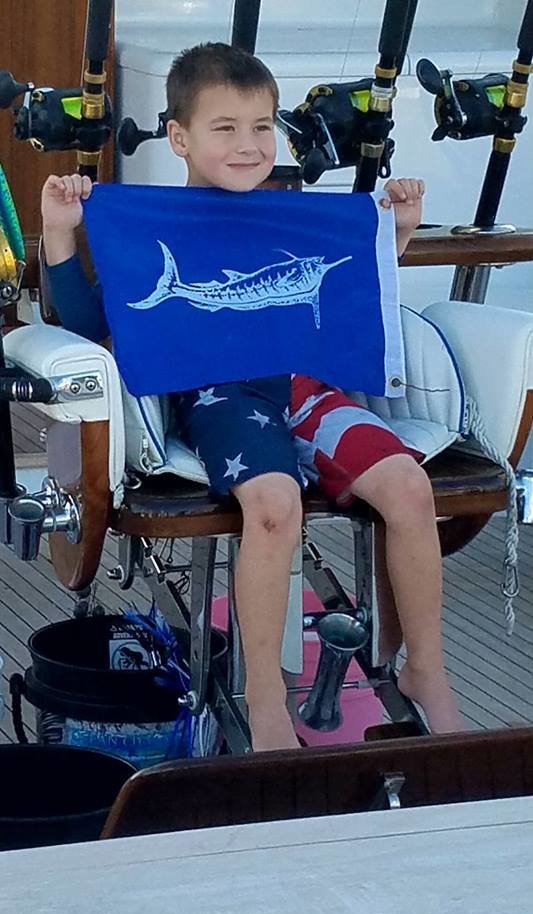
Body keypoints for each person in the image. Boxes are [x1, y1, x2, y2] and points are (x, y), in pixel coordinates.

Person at [41, 41, 462, 750]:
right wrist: (59, 233)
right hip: (221, 397)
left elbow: (350, 297)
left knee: (409, 488)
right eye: (225, 128)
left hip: (303, 389)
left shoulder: (295, 217)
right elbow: (87, 325)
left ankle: (425, 669)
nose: (248, 144)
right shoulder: (149, 224)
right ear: (179, 138)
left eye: (262, 126)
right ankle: (263, 694)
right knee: (273, 504)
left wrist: (396, 234)